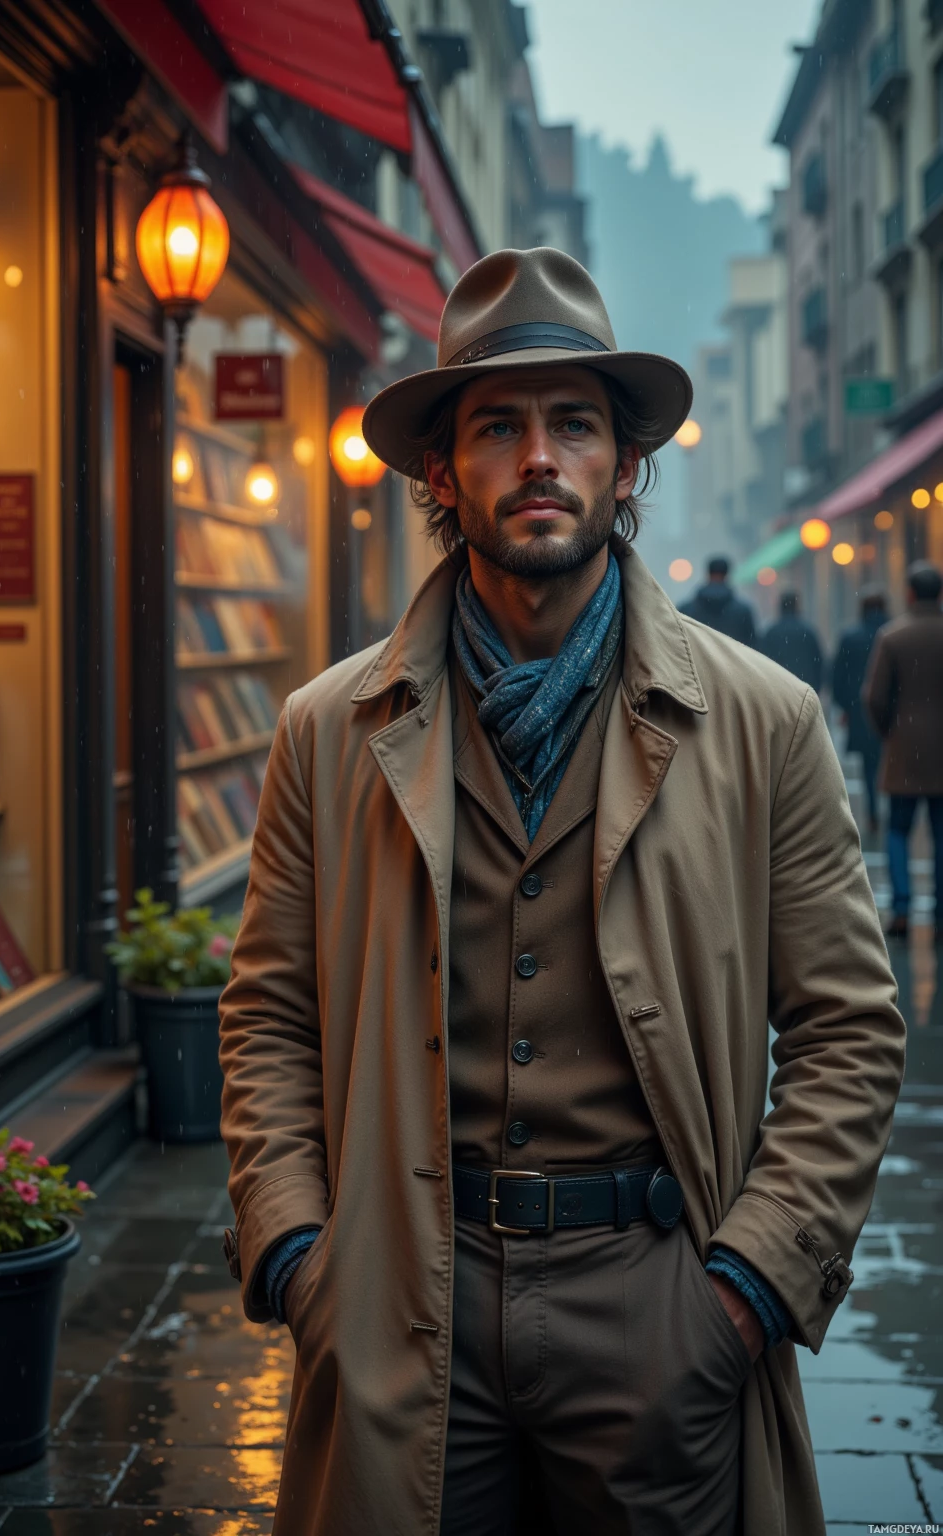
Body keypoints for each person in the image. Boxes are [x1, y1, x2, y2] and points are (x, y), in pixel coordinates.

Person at [218, 248, 904, 1536]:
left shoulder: (762, 723)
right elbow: (265, 1017)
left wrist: (745, 1287)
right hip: (400, 1292)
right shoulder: (327, 728)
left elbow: (849, 1031)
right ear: (442, 470)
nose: (540, 457)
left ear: (624, 465)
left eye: (574, 424)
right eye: (499, 426)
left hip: (656, 1288)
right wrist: (301, 1254)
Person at [864, 560, 943, 941]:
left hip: (904, 746)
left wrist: (889, 732)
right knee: (942, 834)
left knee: (898, 830)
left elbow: (874, 697)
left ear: (910, 592)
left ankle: (901, 909)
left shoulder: (893, 636)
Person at [832, 587, 889, 833]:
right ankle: (890, 809)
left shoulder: (851, 637)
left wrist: (845, 706)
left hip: (860, 710)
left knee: (869, 764)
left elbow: (838, 676)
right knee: (894, 761)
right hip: (894, 711)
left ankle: (874, 811)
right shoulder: (893, 634)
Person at [679, 554, 757, 646]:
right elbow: (752, 648)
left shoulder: (686, 610)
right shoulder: (742, 611)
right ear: (727, 575)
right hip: (730, 660)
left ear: (708, 574)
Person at [760, 590, 824, 692]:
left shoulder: (771, 633)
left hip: (777, 690)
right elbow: (818, 665)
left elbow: (762, 663)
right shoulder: (808, 632)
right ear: (796, 607)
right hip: (803, 690)